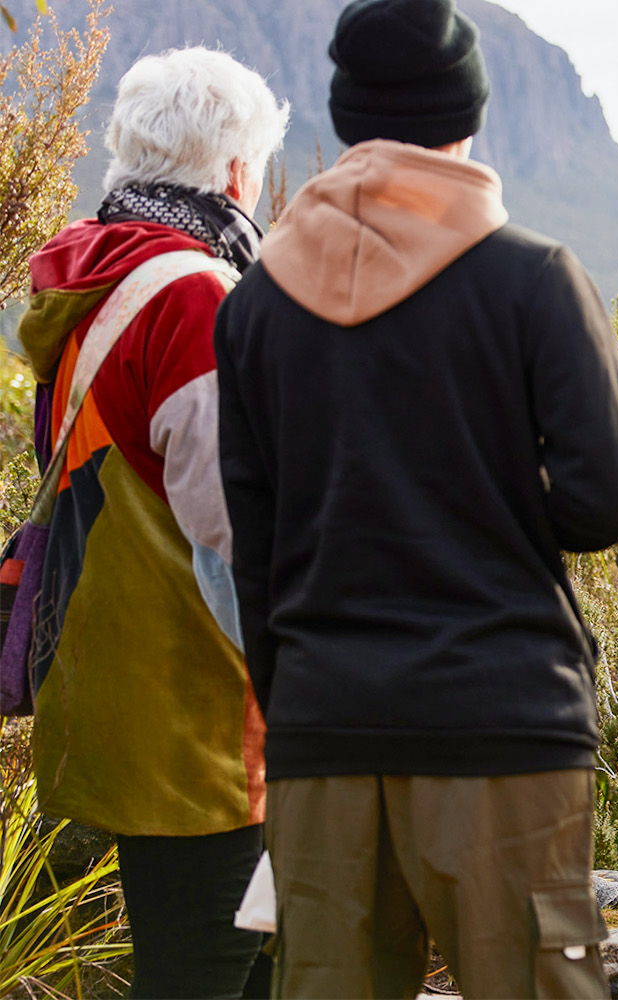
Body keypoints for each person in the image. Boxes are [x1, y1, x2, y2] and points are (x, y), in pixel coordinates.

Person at [212, 0, 618, 996]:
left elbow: (257, 549)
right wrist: (493, 504)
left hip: (326, 734)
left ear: (349, 118)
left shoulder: (256, 307)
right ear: (468, 119)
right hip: (502, 729)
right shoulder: (533, 280)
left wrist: (302, 711)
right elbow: (606, 498)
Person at [17, 47, 286, 999]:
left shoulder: (88, 281)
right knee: (208, 969)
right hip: (205, 726)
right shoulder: (194, 297)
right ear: (234, 173)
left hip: (113, 687)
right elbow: (237, 535)